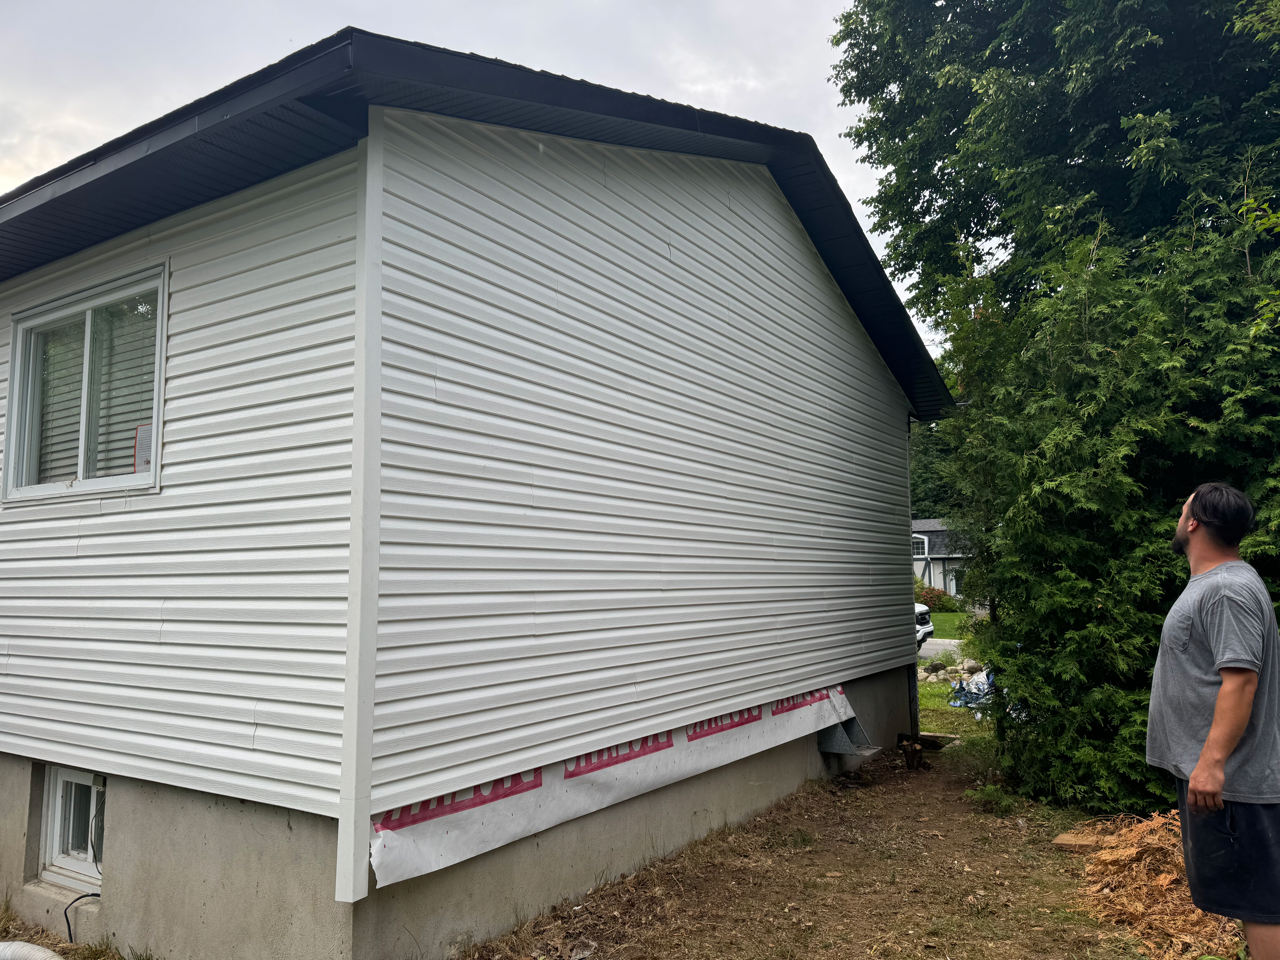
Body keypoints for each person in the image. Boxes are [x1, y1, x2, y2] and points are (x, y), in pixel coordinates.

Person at [1148, 482, 1280, 958]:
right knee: (1252, 899)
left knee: (1263, 903)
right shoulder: (1221, 584)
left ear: (1194, 522)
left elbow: (1241, 681)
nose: (1179, 516)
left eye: (1183, 508)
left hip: (1235, 781)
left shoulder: (1226, 589)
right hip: (1223, 777)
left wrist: (1212, 763)